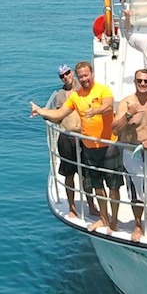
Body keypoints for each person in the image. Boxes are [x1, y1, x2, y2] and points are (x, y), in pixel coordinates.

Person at [30, 61, 122, 232]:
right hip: (88, 146)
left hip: (108, 144)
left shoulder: (103, 90)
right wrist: (42, 111)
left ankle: (114, 220)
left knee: (114, 186)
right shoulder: (74, 96)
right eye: (81, 76)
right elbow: (59, 113)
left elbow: (108, 105)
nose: (84, 78)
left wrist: (97, 111)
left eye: (86, 75)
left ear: (92, 74)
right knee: (98, 186)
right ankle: (103, 218)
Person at [113, 69, 147, 249]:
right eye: (139, 81)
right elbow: (115, 130)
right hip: (131, 152)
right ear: (134, 82)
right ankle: (138, 225)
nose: (143, 84)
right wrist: (129, 114)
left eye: (146, 81)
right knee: (136, 194)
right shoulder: (126, 102)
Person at [49, 64, 85, 218]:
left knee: (88, 173)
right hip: (67, 136)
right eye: (62, 75)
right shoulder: (60, 96)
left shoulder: (83, 88)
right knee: (69, 173)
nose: (66, 76)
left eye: (67, 73)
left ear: (73, 73)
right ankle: (71, 206)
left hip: (84, 136)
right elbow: (57, 117)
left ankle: (92, 204)